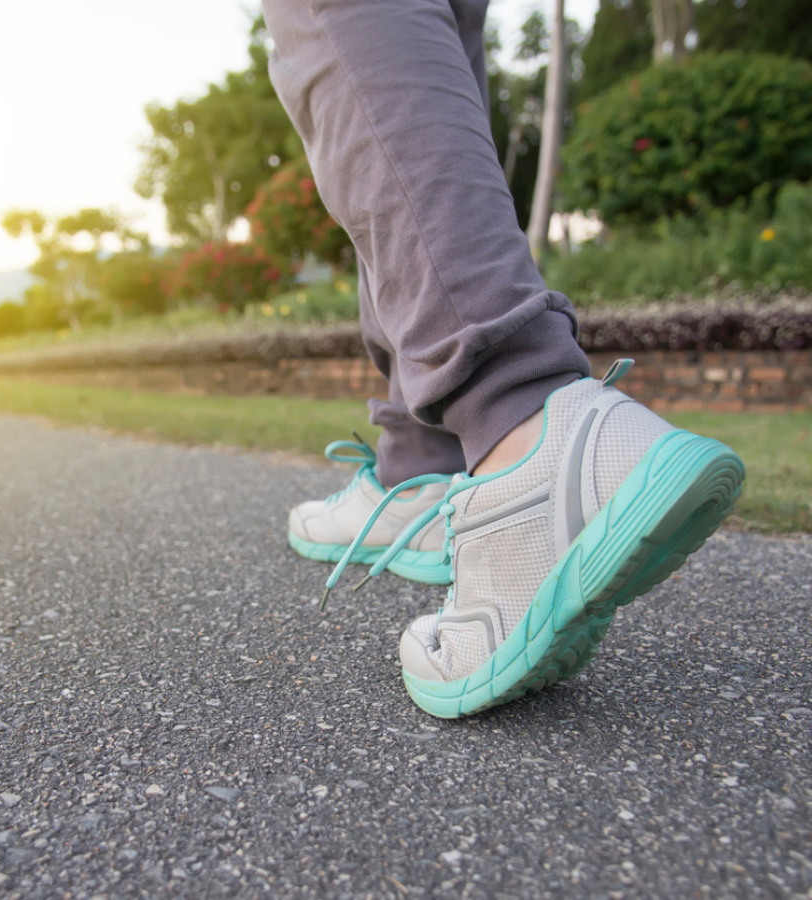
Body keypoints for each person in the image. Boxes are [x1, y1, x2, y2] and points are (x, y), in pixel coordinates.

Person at [265, 0, 745, 718]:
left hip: (521, 397)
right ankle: (425, 462)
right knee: (437, 23)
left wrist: (510, 385)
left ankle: (523, 422)